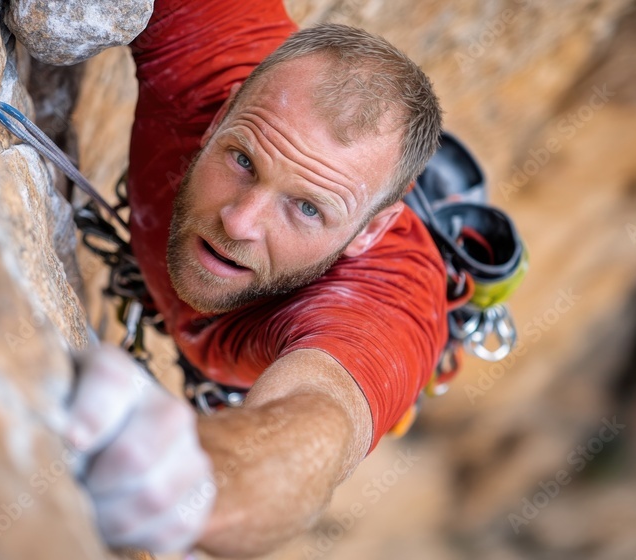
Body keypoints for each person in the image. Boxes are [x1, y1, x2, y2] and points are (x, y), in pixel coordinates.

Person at [62, 0, 449, 556]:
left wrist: (195, 486)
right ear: (222, 115)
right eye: (243, 160)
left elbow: (317, 430)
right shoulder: (212, 60)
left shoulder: (384, 304)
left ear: (369, 230)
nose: (239, 222)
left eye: (307, 208)